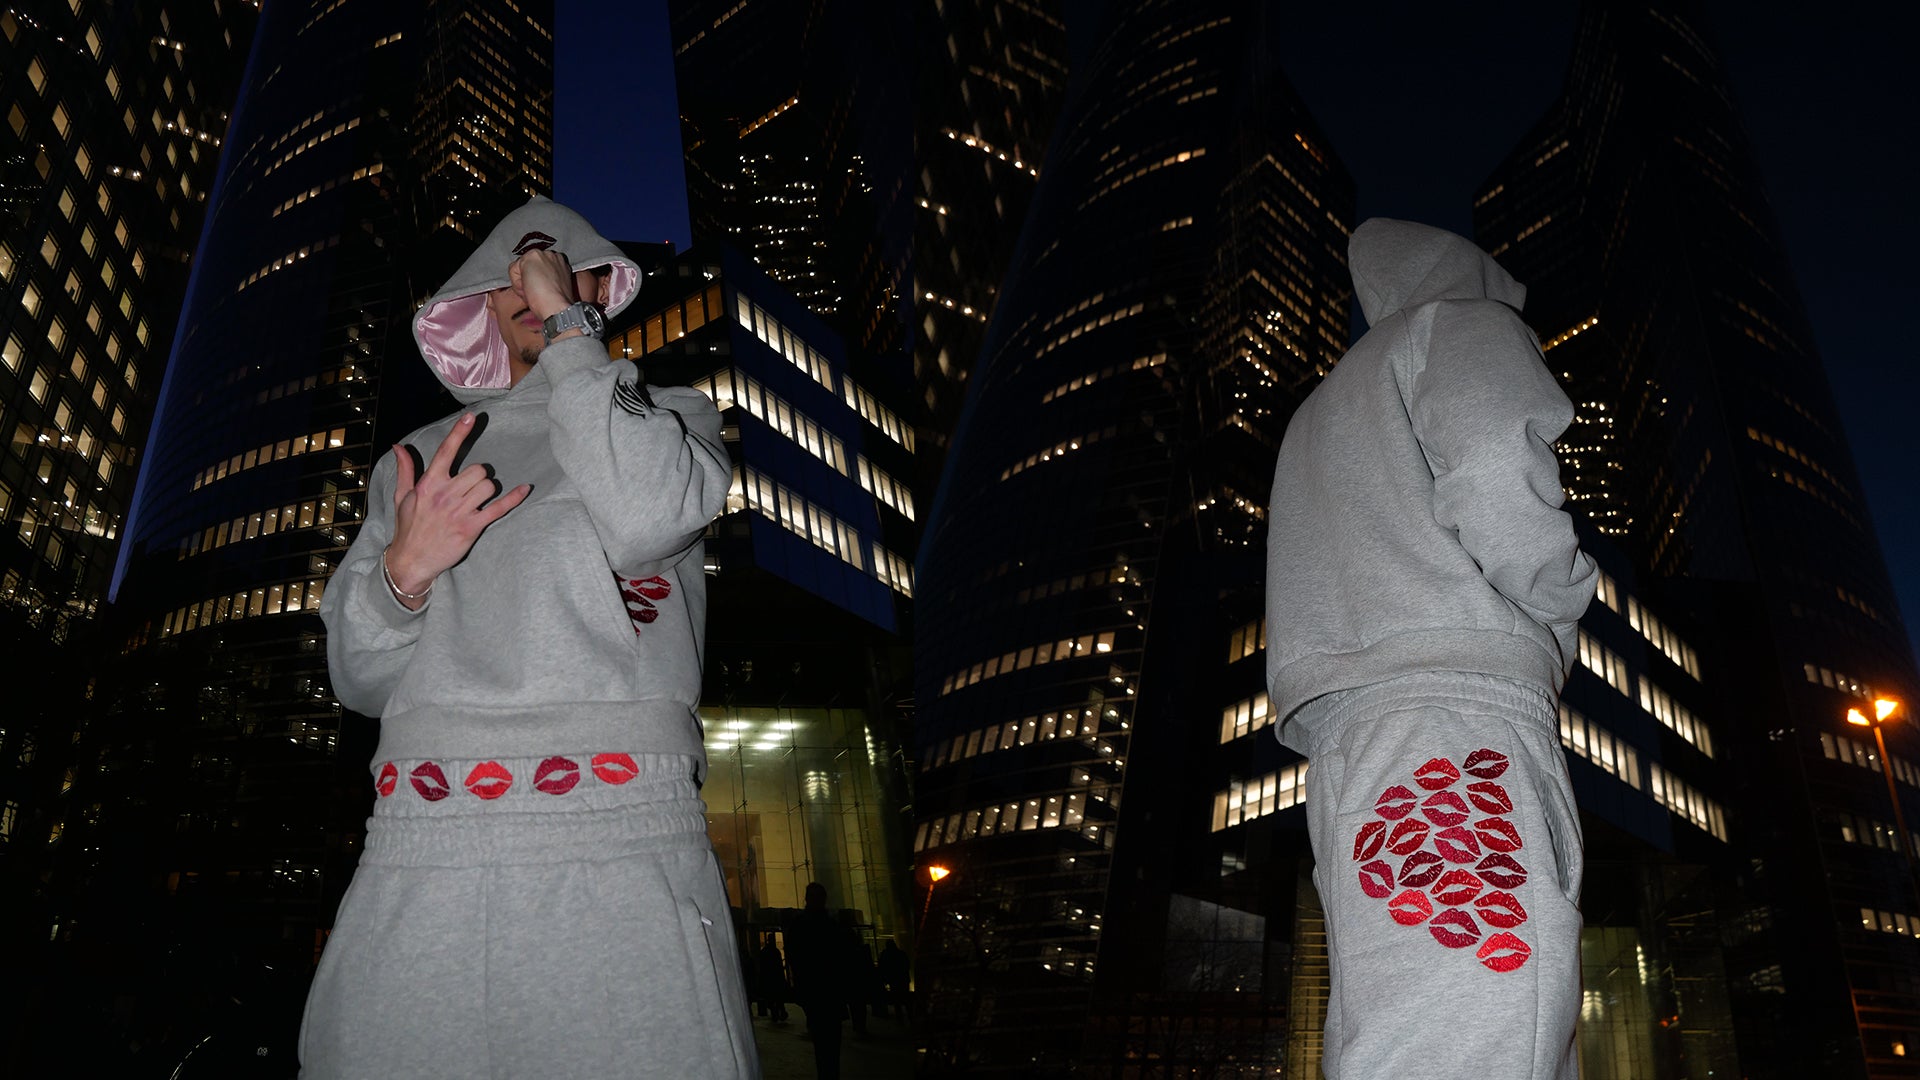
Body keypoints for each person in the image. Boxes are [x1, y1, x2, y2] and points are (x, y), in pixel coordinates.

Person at [298, 197, 757, 1079]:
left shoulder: (669, 416)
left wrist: (569, 329)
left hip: (621, 830)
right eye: (507, 273)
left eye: (548, 262)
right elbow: (357, 680)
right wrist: (404, 574)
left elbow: (651, 518)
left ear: (595, 287)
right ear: (474, 303)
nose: (527, 278)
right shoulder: (419, 457)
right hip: (423, 830)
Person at [1265, 218, 1597, 1080]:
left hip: (1350, 738)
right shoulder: (1460, 323)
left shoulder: (1319, 409)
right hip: (1457, 706)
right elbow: (1495, 458)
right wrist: (1559, 602)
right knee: (1482, 1011)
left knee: (1410, 1020)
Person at [785, 882, 853, 1080]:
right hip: (825, 992)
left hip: (820, 992)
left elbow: (795, 957)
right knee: (829, 1044)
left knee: (825, 1044)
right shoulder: (829, 925)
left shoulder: (805, 925)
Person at [757, 933, 791, 1024]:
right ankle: (781, 1012)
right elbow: (779, 966)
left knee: (771, 998)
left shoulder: (764, 951)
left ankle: (775, 1013)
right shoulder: (776, 951)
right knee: (778, 997)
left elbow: (762, 967)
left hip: (769, 979)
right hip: (776, 978)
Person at [875, 938, 909, 1021]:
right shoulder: (901, 953)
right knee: (906, 999)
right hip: (903, 979)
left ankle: (899, 1018)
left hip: (893, 981)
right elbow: (907, 965)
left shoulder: (885, 955)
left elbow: (882, 967)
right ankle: (910, 1016)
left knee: (896, 1000)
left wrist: (885, 979)